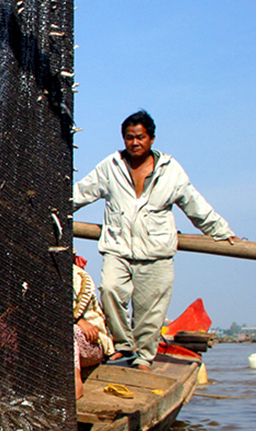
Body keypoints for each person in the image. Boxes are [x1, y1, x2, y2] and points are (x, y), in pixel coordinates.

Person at [74, 110, 238, 372]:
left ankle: (143, 359)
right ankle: (123, 345)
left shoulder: (169, 171)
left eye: (140, 137)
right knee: (110, 290)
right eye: (129, 138)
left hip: (156, 253)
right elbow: (80, 192)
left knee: (150, 313)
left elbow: (194, 204)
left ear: (151, 139)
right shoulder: (111, 166)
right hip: (118, 248)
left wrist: (220, 230)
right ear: (123, 139)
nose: (134, 143)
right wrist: (52, 209)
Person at [73, 255, 113, 399]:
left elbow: (74, 311)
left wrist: (76, 320)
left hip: (91, 345)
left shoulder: (79, 278)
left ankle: (76, 384)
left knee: (68, 332)